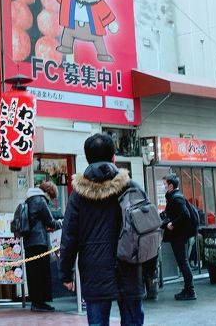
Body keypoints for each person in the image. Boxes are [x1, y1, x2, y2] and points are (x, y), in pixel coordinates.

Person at [59, 133, 144, 326]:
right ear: (114, 157)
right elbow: (147, 227)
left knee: (97, 323)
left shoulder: (78, 195)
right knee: (133, 321)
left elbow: (69, 235)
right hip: (129, 265)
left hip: (93, 269)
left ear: (87, 159)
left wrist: (66, 272)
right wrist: (149, 268)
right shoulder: (130, 187)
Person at [24, 180, 63, 312]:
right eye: (51, 197)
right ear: (48, 192)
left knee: (33, 273)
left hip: (29, 242)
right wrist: (62, 223)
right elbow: (50, 222)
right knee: (41, 273)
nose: (51, 200)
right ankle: (40, 302)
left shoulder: (29, 200)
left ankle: (35, 301)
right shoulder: (40, 201)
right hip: (39, 242)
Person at [161, 173, 196, 301]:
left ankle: (190, 290)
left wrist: (172, 223)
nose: (163, 186)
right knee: (182, 262)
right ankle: (188, 289)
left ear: (170, 185)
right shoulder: (174, 197)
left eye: (165, 184)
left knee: (183, 262)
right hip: (178, 236)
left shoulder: (176, 198)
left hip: (179, 236)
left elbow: (185, 214)